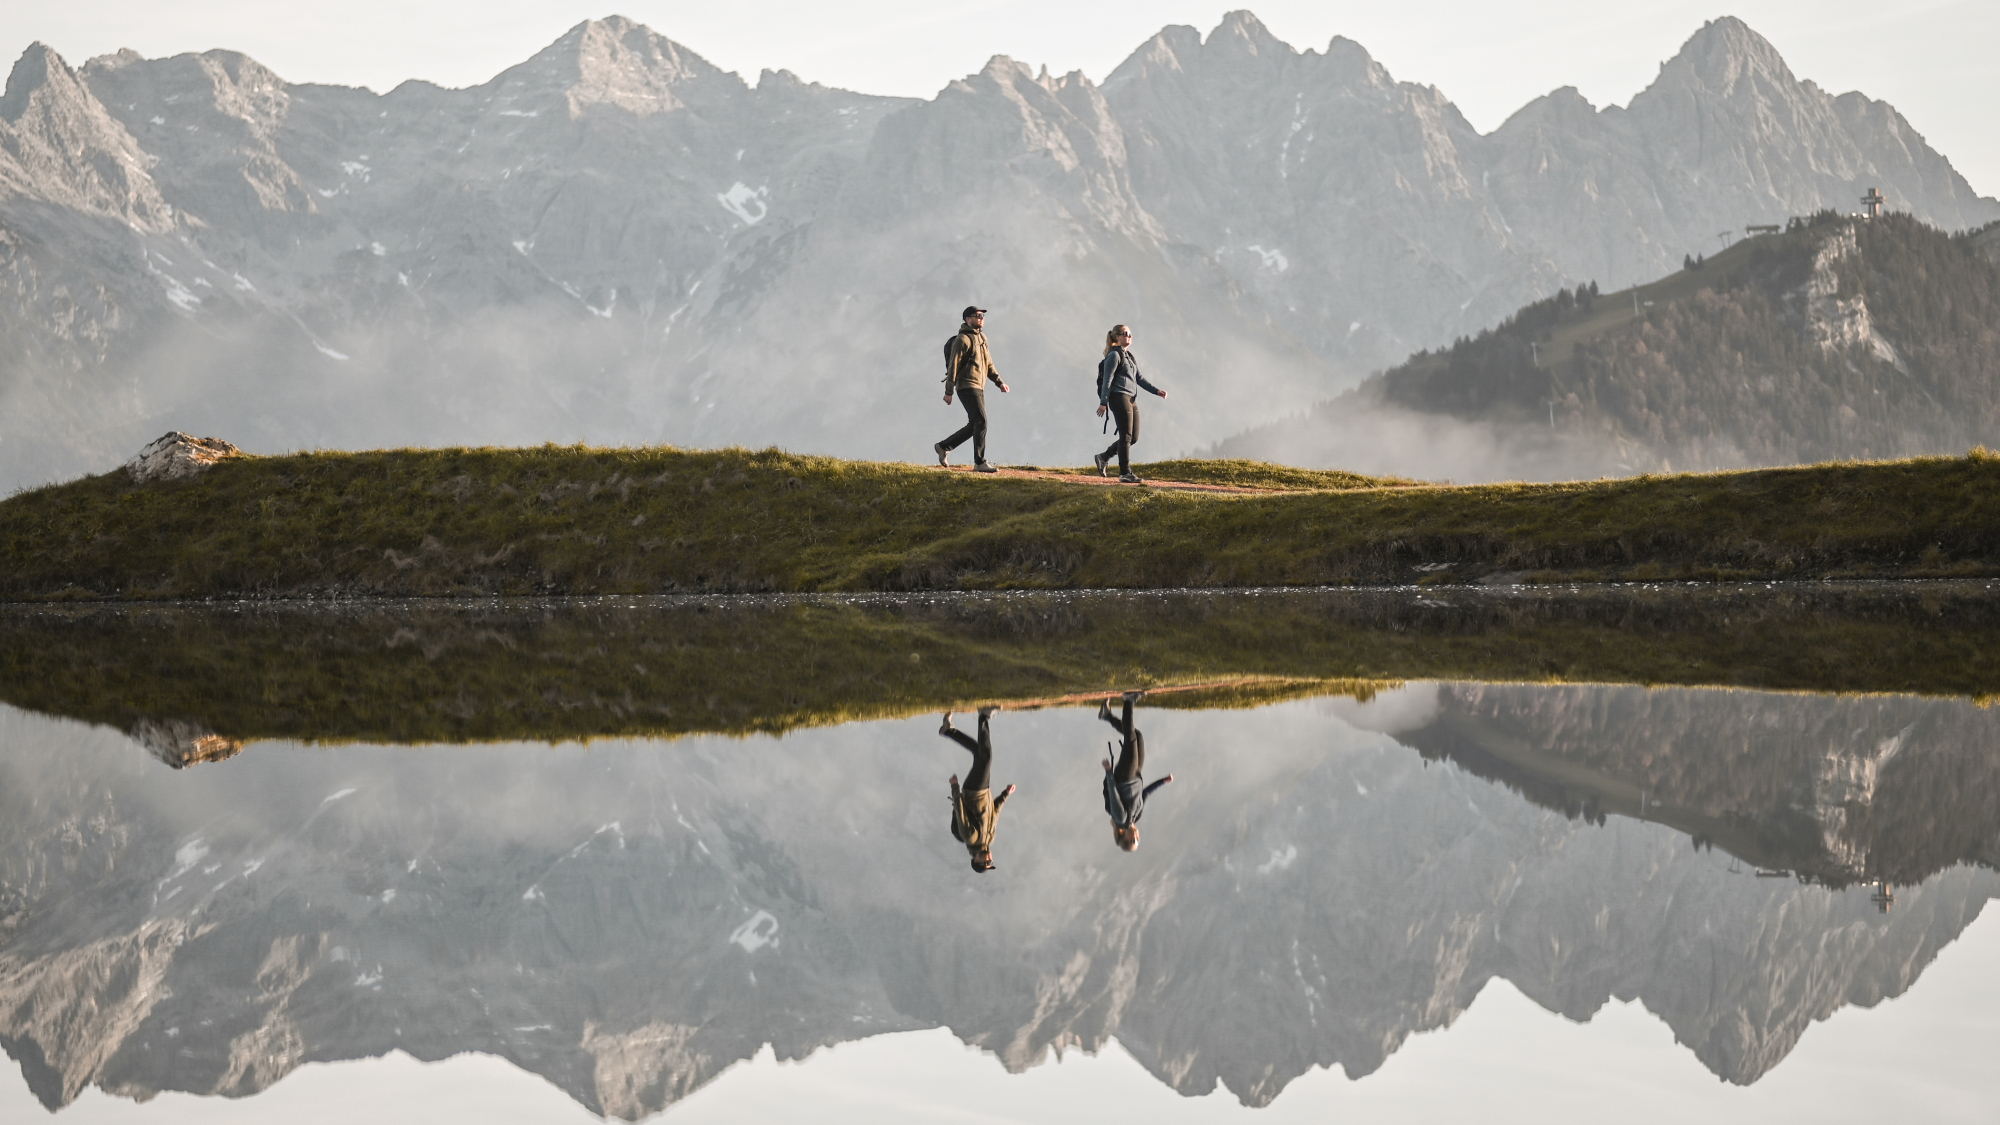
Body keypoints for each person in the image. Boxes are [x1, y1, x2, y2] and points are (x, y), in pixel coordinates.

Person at [935, 306, 1010, 473]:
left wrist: (999, 383)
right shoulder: (962, 340)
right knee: (981, 422)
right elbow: (953, 366)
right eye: (977, 316)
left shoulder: (982, 338)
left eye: (982, 315)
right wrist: (949, 391)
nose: (981, 318)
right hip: (966, 386)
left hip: (978, 386)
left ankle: (943, 446)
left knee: (975, 424)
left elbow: (989, 364)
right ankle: (980, 462)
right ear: (968, 319)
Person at [942, 706, 1016, 872]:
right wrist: (1006, 794)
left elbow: (961, 814)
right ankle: (948, 731)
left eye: (985, 862)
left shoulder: (971, 838)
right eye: (991, 861)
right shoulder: (989, 838)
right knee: (980, 753)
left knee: (986, 757)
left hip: (973, 792)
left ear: (976, 859)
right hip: (984, 791)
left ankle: (983, 716)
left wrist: (955, 787)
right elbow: (994, 812)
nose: (989, 858)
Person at [1099, 691, 1173, 851]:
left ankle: (1129, 700)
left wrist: (1109, 772)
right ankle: (1106, 716)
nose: (1136, 838)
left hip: (1124, 777)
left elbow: (1114, 795)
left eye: (1132, 841)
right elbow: (1144, 794)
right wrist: (1162, 781)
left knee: (1131, 738)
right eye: (1137, 841)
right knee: (1137, 736)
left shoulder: (1120, 819)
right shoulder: (1136, 816)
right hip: (1136, 775)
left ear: (1123, 837)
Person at [1094, 324, 1166, 484]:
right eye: (1126, 333)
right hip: (1119, 397)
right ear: (1117, 337)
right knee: (1125, 436)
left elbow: (1139, 378)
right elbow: (1107, 379)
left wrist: (1156, 391)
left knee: (1133, 437)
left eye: (1130, 334)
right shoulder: (1114, 355)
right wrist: (1103, 402)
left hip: (1131, 398)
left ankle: (1103, 457)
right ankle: (1125, 473)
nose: (1129, 336)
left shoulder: (1129, 356)